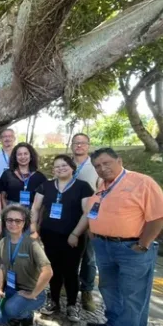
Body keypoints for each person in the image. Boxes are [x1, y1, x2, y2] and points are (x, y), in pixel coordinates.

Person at [86, 148, 163, 326]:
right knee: (108, 287)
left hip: (131, 249)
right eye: (97, 166)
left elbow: (158, 217)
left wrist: (143, 244)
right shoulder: (102, 187)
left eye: (106, 163)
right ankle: (114, 323)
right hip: (104, 247)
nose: (102, 168)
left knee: (133, 296)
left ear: (119, 160)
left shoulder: (142, 182)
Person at [31, 155, 94, 323]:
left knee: (71, 271)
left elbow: (87, 213)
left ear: (72, 167)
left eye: (64, 165)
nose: (60, 168)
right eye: (57, 166)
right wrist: (34, 227)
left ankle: (72, 305)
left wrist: (75, 234)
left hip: (73, 237)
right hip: (50, 235)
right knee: (53, 269)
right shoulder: (46, 186)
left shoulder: (83, 187)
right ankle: (53, 301)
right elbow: (36, 208)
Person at [0, 204, 53, 326]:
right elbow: (2, 266)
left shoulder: (32, 244)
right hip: (11, 288)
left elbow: (48, 272)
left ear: (24, 223)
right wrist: (0, 288)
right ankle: (17, 311)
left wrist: (33, 294)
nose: (13, 223)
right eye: (9, 220)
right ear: (5, 222)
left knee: (11, 309)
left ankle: (27, 315)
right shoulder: (3, 242)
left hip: (30, 291)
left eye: (18, 220)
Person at [71, 133, 100, 312]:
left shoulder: (95, 166)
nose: (79, 146)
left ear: (88, 145)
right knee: (67, 254)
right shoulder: (66, 164)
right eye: (76, 143)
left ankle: (87, 291)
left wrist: (94, 219)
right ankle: (66, 283)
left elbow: (101, 193)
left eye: (82, 143)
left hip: (89, 217)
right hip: (68, 216)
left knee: (89, 257)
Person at [0, 142, 47, 208]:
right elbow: (2, 196)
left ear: (31, 156)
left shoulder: (40, 177)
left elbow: (43, 201)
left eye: (25, 154)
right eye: (19, 154)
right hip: (11, 210)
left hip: (32, 211)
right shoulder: (7, 174)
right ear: (15, 157)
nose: (23, 157)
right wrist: (6, 211)